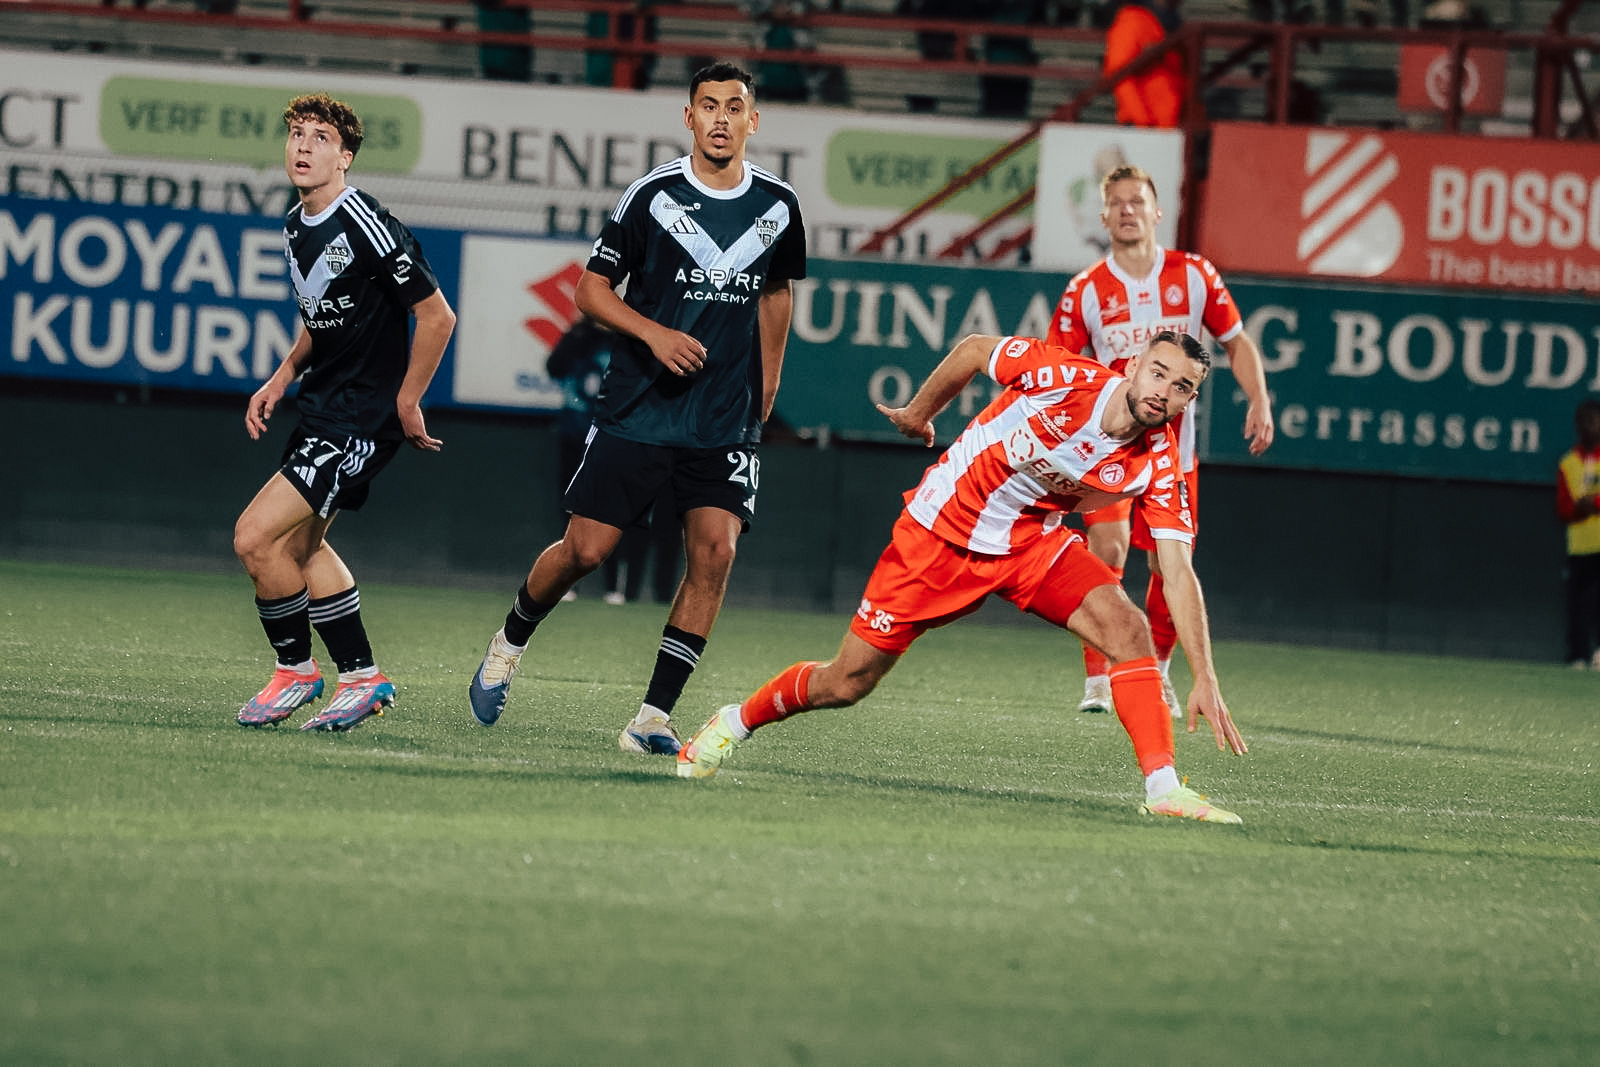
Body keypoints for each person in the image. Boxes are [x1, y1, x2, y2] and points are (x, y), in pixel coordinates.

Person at [676, 330, 1250, 824]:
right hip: (940, 535)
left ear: (1190, 400)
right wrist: (918, 414)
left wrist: (1205, 676)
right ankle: (735, 720)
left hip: (1029, 540)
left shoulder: (1162, 461)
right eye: (1159, 372)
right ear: (1132, 366)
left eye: (1183, 387)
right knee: (846, 683)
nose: (1164, 391)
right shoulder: (1065, 377)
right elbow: (976, 350)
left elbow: (1176, 570)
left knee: (1128, 631)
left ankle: (1163, 788)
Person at [468, 62, 807, 756]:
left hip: (723, 417)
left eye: (733, 107)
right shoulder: (653, 195)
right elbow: (591, 292)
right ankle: (510, 639)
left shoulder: (778, 205)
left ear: (753, 121)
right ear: (687, 117)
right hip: (642, 406)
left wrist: (768, 383)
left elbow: (777, 293)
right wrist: (653, 332)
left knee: (715, 551)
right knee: (586, 550)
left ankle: (652, 715)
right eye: (707, 105)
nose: (719, 118)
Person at [234, 93, 456, 731]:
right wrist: (282, 374)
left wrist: (408, 399)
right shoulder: (295, 223)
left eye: (321, 137)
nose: (303, 146)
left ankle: (296, 671)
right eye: (297, 134)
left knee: (254, 537)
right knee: (302, 549)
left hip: (360, 419)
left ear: (345, 157)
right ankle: (362, 679)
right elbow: (318, 317)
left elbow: (436, 314)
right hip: (323, 408)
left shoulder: (363, 220)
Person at [1045, 164, 1273, 718]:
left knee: (1171, 566)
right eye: (1117, 202)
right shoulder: (1085, 290)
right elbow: (1056, 366)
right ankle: (1099, 677)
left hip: (1175, 455)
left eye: (1137, 201)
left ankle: (1160, 672)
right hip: (1108, 448)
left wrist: (1260, 399)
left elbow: (1237, 341)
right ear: (1103, 216)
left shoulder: (1195, 275)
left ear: (1157, 210)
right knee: (1110, 548)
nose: (1127, 210)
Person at [1557, 399, 1600, 670]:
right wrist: (1578, 510)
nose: (1590, 427)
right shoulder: (1568, 463)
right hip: (1580, 546)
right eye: (1585, 421)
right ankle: (1578, 655)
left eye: (1595, 421)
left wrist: (1594, 504)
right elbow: (1563, 508)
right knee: (1579, 604)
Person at [1103, 0, 1187, 128]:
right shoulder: (1133, 20)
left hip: (1168, 124)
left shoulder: (1170, 23)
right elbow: (1119, 75)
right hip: (1145, 125)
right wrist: (1141, 121)